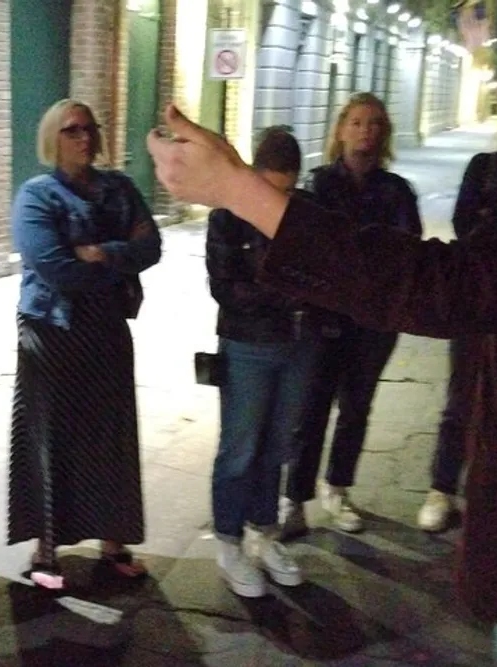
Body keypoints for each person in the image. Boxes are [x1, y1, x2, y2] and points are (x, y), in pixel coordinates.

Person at [147, 103, 497, 667]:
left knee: (301, 432)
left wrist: (239, 189)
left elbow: (445, 283)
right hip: (270, 339)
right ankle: (254, 532)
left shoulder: (382, 190)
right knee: (256, 444)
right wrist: (242, 192)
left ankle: (280, 522)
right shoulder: (323, 188)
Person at [8, 98, 162, 590]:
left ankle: (113, 542)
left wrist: (101, 252)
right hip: (51, 334)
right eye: (72, 129)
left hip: (107, 330)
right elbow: (55, 267)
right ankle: (46, 550)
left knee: (110, 438)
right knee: (50, 439)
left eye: (90, 128)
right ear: (53, 138)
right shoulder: (37, 196)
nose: (84, 137)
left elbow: (152, 245)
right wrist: (118, 262)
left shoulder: (118, 188)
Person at [280, 93, 423, 539]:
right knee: (311, 408)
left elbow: (407, 252)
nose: (367, 131)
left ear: (385, 134)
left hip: (373, 322)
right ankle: (295, 499)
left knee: (357, 407)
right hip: (325, 318)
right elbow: (313, 248)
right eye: (358, 122)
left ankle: (338, 488)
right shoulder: (320, 186)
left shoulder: (396, 191)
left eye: (376, 124)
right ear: (341, 129)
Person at [206, 127, 331, 596]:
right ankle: (228, 542)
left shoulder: (308, 212)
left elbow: (323, 275)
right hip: (249, 345)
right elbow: (225, 287)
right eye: (271, 188)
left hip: (299, 345)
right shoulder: (228, 215)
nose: (279, 200)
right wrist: (288, 293)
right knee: (239, 449)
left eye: (288, 189)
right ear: (254, 174)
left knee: (277, 447)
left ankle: (264, 534)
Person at [417, 72, 497, 532]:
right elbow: (465, 230)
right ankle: (441, 489)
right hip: (483, 305)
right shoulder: (485, 169)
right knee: (461, 398)